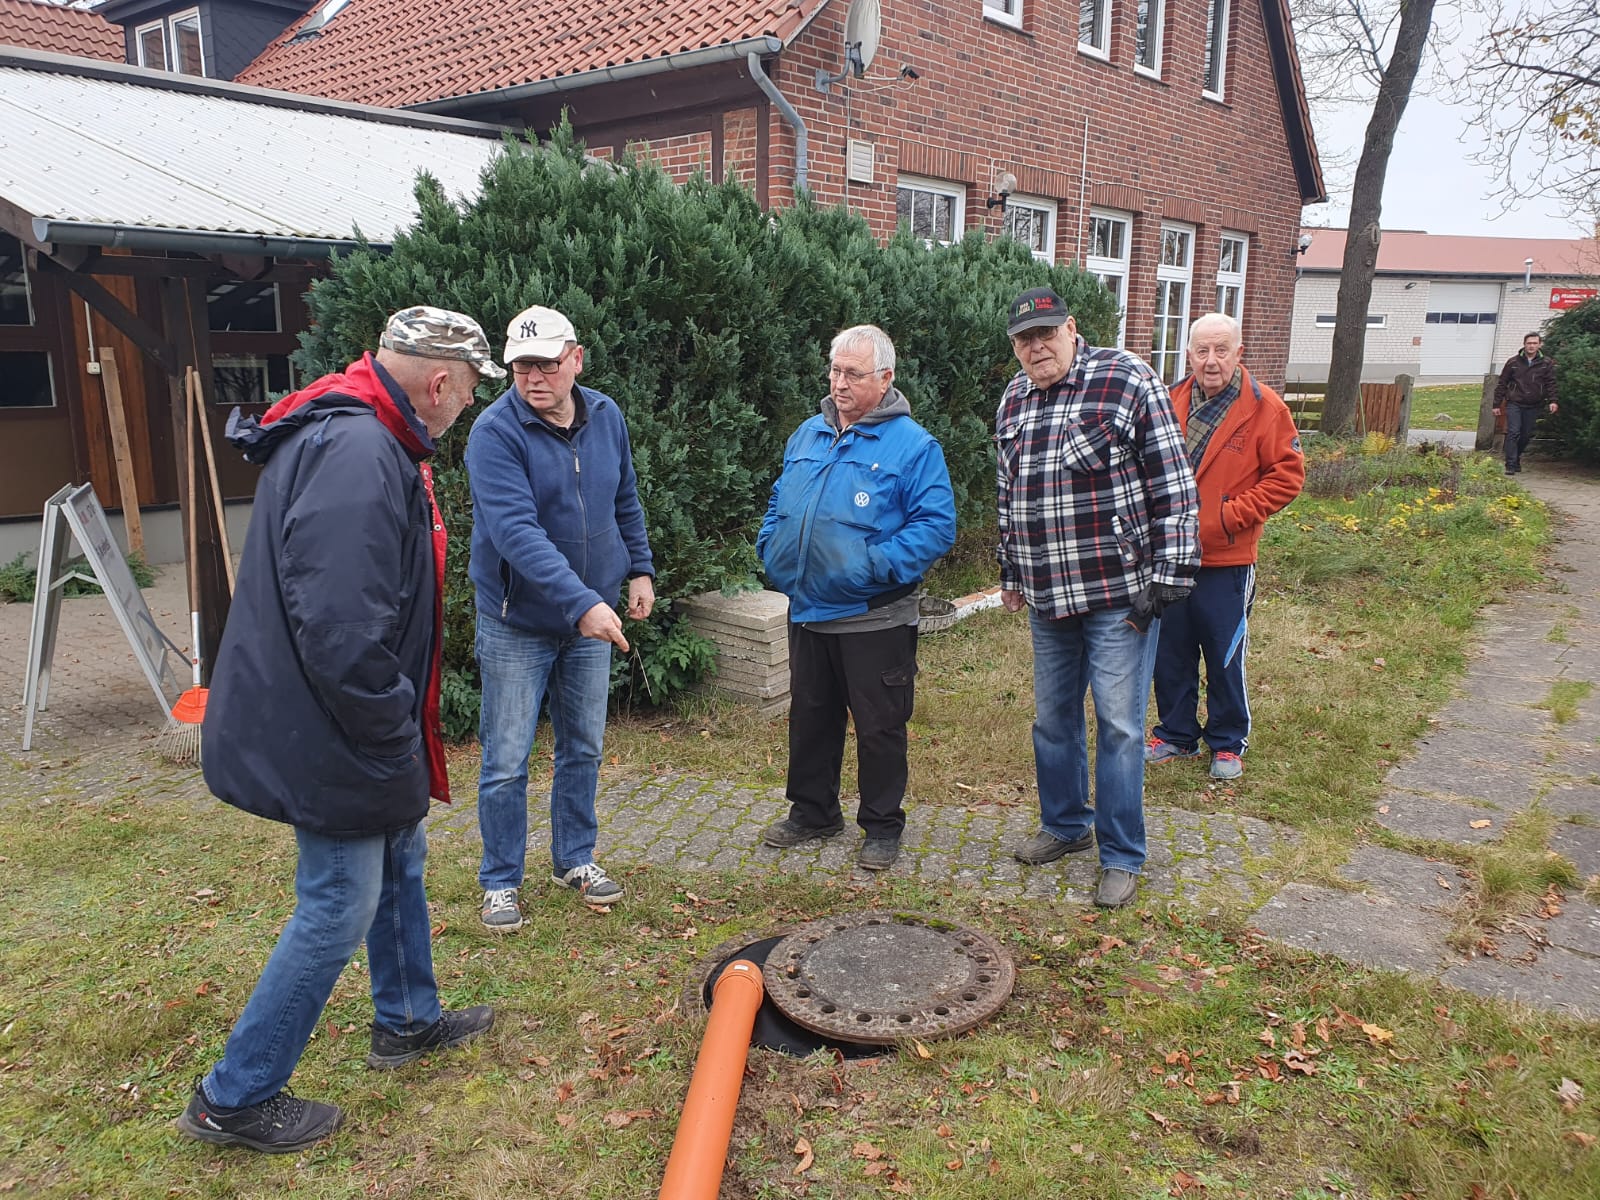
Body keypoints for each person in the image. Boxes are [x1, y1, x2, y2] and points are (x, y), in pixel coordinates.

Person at [180, 306, 502, 1153]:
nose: (463, 410)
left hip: (338, 714)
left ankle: (405, 1020)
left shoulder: (358, 433)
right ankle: (234, 1096)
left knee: (401, 858)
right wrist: (390, 729)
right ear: (439, 383)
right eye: (467, 395)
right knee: (337, 903)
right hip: (332, 722)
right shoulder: (359, 453)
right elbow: (340, 629)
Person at [996, 287, 1199, 909]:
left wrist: (1172, 571)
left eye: (1047, 334)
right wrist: (1010, 571)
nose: (1037, 347)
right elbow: (1007, 491)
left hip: (1119, 596)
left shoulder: (1126, 378)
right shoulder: (1015, 397)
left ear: (1072, 330)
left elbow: (1173, 481)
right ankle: (1064, 825)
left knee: (1118, 727)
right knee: (1052, 721)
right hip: (1047, 597)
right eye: (1025, 339)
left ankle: (1121, 855)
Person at [468, 305, 655, 926]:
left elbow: (624, 496)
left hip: (592, 614)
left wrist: (640, 568)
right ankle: (500, 878)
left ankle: (574, 856)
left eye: (545, 363)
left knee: (582, 746)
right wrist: (584, 604)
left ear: (576, 358)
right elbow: (516, 533)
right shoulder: (494, 433)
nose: (532, 377)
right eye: (520, 365)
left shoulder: (606, 416)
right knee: (506, 758)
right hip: (517, 621)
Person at [756, 325, 956, 871]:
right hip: (809, 609)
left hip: (875, 615)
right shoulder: (808, 434)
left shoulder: (914, 446)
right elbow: (780, 498)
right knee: (811, 717)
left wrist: (871, 566)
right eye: (835, 370)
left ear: (885, 378)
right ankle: (813, 812)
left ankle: (882, 825)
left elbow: (936, 526)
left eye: (853, 373)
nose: (839, 383)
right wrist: (770, 542)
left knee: (879, 725)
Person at [1145, 313, 1304, 782]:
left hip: (1227, 560)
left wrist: (1230, 516)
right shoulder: (1169, 399)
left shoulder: (1265, 408)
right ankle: (1175, 733)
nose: (1210, 361)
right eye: (1201, 351)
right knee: (1170, 650)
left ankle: (1227, 741)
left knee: (1224, 652)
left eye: (1221, 351)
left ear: (1238, 353)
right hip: (1172, 555)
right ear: (1188, 353)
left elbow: (1287, 477)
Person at [1493, 331, 1558, 476]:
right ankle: (1510, 464)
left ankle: (1516, 458)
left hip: (1534, 404)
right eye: (1529, 343)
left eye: (1535, 343)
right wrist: (1496, 404)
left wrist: (1553, 400)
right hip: (1515, 402)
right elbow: (1502, 383)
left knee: (1526, 435)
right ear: (1524, 345)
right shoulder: (1513, 362)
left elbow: (1551, 383)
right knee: (1513, 432)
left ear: (1539, 345)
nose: (1531, 346)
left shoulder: (1546, 363)